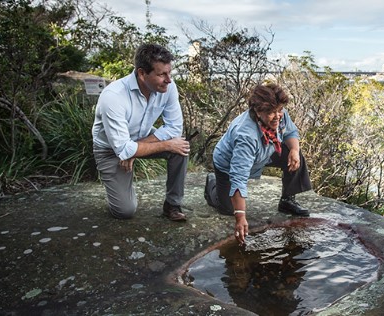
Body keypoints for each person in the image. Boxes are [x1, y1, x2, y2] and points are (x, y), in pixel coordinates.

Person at [92, 43, 190, 221]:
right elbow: (122, 149)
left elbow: (174, 127)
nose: (169, 80)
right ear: (142, 73)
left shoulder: (168, 87)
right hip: (110, 151)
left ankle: (172, 205)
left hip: (141, 138)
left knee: (180, 147)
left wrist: (136, 149)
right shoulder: (113, 96)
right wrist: (135, 150)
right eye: (162, 74)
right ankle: (119, 186)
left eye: (170, 73)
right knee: (125, 211)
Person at [204, 83, 312, 244]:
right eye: (270, 112)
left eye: (279, 110)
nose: (277, 116)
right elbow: (238, 178)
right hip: (228, 163)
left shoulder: (280, 114)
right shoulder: (246, 135)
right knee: (228, 209)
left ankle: (287, 200)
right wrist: (241, 217)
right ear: (257, 111)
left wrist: (294, 150)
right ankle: (211, 184)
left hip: (267, 150)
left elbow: (290, 132)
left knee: (296, 155)